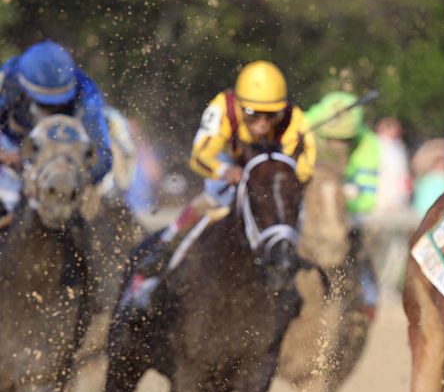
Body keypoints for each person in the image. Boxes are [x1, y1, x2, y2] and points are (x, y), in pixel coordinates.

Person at [123, 60, 315, 308]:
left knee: (292, 216)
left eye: (271, 116)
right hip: (229, 171)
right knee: (209, 202)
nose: (262, 124)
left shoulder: (294, 119)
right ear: (239, 105)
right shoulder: (223, 107)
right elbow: (200, 155)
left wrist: (265, 174)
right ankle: (162, 254)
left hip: (268, 182)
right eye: (253, 114)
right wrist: (225, 170)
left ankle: (292, 281)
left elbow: (303, 170)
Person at [0, 40, 113, 217]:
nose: (49, 110)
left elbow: (103, 156)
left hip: (66, 158)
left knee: (104, 206)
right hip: (12, 149)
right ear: (23, 87)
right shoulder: (7, 78)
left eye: (58, 104)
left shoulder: (87, 94)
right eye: (43, 103)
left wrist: (78, 176)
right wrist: (4, 156)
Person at [305, 91, 380, 219]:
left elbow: (367, 199)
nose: (337, 147)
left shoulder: (367, 144)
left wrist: (342, 203)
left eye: (344, 141)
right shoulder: (304, 124)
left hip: (345, 198)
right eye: (330, 139)